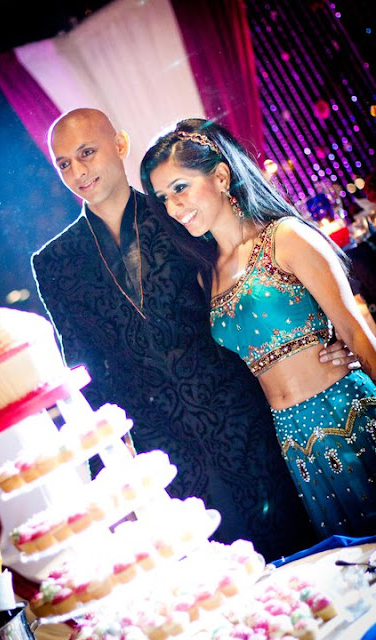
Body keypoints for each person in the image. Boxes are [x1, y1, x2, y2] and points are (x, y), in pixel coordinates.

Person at [31, 108, 352, 559]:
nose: (78, 171)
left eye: (87, 153)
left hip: (247, 422)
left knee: (304, 555)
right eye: (64, 163)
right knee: (220, 580)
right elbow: (84, 373)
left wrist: (328, 334)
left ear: (120, 145)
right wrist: (109, 477)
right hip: (163, 457)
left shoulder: (179, 210)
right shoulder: (54, 262)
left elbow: (255, 276)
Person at [140, 117, 376, 538]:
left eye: (180, 188)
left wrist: (353, 352)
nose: (174, 208)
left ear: (220, 176)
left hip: (347, 412)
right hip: (293, 439)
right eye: (164, 198)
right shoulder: (208, 276)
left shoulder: (286, 237)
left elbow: (357, 333)